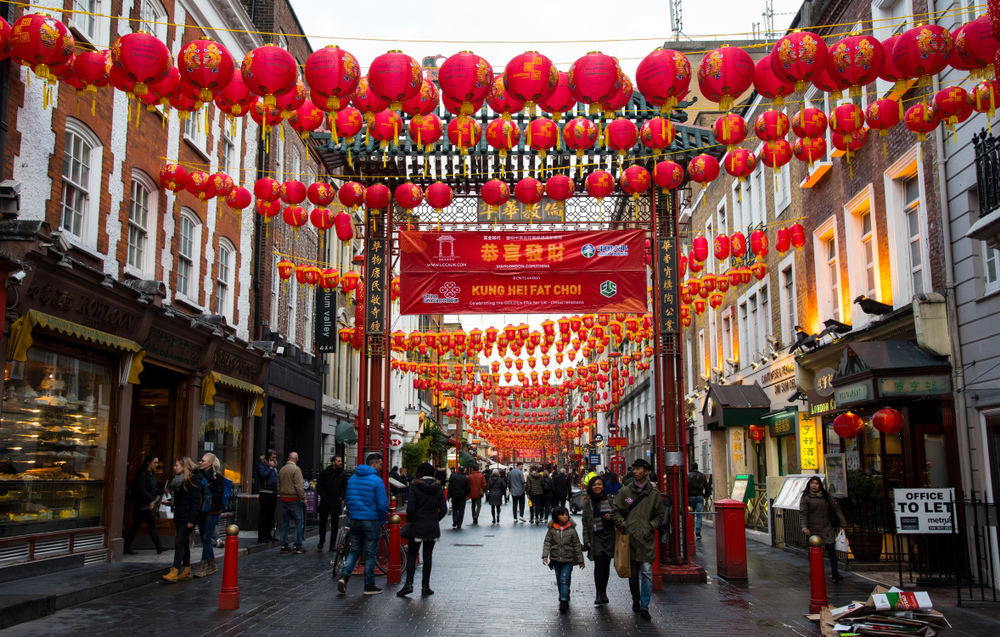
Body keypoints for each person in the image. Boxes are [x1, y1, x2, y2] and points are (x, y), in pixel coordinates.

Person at [611, 459, 665, 621]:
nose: (635, 471)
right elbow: (616, 511)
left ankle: (644, 606)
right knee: (633, 574)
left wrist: (651, 526)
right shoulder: (625, 492)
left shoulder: (654, 495)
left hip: (646, 539)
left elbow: (660, 515)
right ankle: (636, 598)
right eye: (634, 469)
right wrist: (624, 524)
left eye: (639, 469)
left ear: (646, 472)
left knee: (647, 573)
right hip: (629, 540)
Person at [339, 452, 389, 596]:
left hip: (355, 520)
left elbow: (347, 499)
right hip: (371, 520)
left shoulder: (352, 478)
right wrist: (382, 520)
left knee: (354, 550)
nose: (381, 467)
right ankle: (369, 585)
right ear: (374, 464)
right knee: (370, 553)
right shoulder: (377, 481)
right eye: (380, 464)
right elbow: (382, 504)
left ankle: (344, 577)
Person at [397, 462, 448, 597]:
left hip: (417, 525)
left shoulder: (415, 487)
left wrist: (412, 519)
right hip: (431, 525)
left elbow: (410, 509)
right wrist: (434, 519)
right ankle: (425, 586)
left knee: (412, 555)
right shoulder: (438, 488)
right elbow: (443, 509)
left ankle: (408, 584)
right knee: (428, 556)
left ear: (419, 473)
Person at [799, 476, 848, 583]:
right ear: (809, 485)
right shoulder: (806, 497)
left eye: (816, 483)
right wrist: (804, 527)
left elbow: (836, 508)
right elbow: (803, 513)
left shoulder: (826, 496)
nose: (814, 485)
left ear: (820, 485)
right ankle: (814, 571)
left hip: (826, 526)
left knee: (831, 550)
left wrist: (843, 522)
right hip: (813, 528)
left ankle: (835, 573)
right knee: (814, 551)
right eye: (812, 483)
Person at [162, 457, 202, 583]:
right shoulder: (178, 481)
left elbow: (196, 502)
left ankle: (174, 571)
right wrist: (169, 503)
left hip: (187, 517)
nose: (174, 467)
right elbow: (179, 500)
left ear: (184, 467)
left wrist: (191, 520)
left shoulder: (193, 481)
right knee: (184, 543)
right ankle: (186, 570)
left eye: (177, 465)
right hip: (179, 516)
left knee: (179, 543)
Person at [541, 505, 585, 614]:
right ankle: (564, 594)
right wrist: (545, 555)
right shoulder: (552, 530)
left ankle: (563, 600)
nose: (565, 517)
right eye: (562, 515)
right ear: (556, 516)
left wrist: (580, 560)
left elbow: (576, 546)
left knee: (564, 579)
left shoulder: (571, 531)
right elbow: (547, 543)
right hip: (556, 559)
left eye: (566, 515)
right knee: (559, 579)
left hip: (568, 559)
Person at [582, 475, 614, 605]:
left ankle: (604, 592)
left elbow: (619, 513)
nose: (597, 487)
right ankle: (598, 593)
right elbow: (585, 522)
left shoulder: (610, 499)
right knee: (599, 561)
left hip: (609, 534)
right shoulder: (588, 502)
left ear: (603, 485)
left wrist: (611, 516)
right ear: (591, 487)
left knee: (606, 563)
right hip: (596, 535)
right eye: (595, 485)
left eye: (599, 484)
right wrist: (586, 539)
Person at [123, 454, 165, 555]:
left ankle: (127, 547)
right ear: (148, 463)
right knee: (150, 524)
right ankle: (159, 547)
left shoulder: (152, 474)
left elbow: (152, 489)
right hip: (142, 504)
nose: (156, 465)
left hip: (145, 504)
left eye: (157, 463)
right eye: (154, 463)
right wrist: (151, 500)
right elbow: (141, 489)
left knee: (136, 525)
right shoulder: (142, 474)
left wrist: (162, 491)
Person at [194, 453, 225, 577]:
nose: (200, 463)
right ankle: (212, 565)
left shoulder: (217, 477)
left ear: (210, 463)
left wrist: (207, 497)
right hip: (201, 510)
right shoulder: (198, 475)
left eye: (203, 461)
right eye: (201, 461)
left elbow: (219, 495)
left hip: (212, 511)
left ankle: (202, 566)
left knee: (207, 538)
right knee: (204, 538)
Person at [278, 452, 307, 554]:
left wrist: (282, 493)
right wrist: (303, 498)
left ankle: (284, 544)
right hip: (294, 498)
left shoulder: (282, 469)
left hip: (284, 498)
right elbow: (299, 486)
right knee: (299, 521)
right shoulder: (296, 469)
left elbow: (278, 485)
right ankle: (297, 545)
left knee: (285, 522)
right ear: (297, 460)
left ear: (288, 458)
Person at [317, 455, 347, 551]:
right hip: (325, 501)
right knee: (322, 523)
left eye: (341, 461)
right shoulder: (325, 473)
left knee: (335, 524)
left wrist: (341, 497)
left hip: (336, 501)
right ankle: (321, 541)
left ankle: (332, 544)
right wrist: (323, 496)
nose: (340, 463)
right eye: (338, 461)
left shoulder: (342, 474)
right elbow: (319, 485)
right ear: (333, 462)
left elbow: (345, 488)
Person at [256, 449, 278, 543]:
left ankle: (268, 534)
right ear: (268, 456)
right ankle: (262, 535)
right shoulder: (261, 465)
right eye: (273, 457)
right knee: (264, 514)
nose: (274, 459)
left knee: (271, 514)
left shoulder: (274, 466)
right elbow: (262, 476)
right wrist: (270, 468)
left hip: (273, 491)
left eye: (275, 457)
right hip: (265, 491)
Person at [688, 462, 709, 539]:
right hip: (700, 496)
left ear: (691, 467)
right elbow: (707, 487)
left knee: (691, 514)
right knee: (699, 514)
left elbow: (685, 487)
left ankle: (691, 530)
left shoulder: (688, 476)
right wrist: (705, 495)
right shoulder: (702, 476)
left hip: (690, 496)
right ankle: (698, 532)